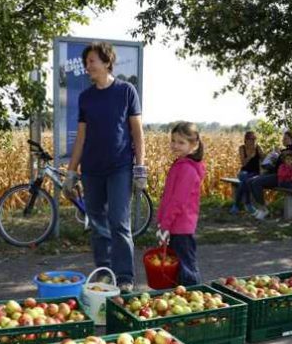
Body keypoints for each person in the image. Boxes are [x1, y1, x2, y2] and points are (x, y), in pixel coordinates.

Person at [63, 42, 146, 293]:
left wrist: (140, 167)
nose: (88, 67)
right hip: (91, 170)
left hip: (120, 167)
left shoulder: (126, 91)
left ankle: (124, 277)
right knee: (97, 222)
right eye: (87, 62)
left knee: (119, 222)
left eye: (92, 62)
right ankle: (104, 272)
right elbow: (81, 138)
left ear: (107, 62)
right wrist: (71, 171)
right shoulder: (86, 97)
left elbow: (137, 133)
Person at [156, 122, 206, 286]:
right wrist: (161, 222)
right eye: (173, 141)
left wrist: (166, 225)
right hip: (173, 225)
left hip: (181, 227)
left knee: (187, 269)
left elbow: (178, 202)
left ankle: (197, 298)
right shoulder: (180, 165)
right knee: (177, 269)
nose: (175, 145)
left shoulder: (187, 170)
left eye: (181, 142)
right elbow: (168, 197)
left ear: (194, 145)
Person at [246, 130, 292, 220]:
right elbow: (279, 165)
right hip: (275, 174)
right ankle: (260, 208)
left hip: (283, 178)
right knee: (250, 181)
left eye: (285, 138)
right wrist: (269, 163)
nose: (283, 140)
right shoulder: (285, 150)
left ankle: (264, 209)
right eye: (283, 138)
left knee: (256, 182)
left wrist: (280, 155)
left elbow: (291, 162)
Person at [230, 131, 263, 214]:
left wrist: (261, 153)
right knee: (245, 178)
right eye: (251, 139)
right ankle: (248, 204)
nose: (253, 141)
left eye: (254, 139)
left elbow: (264, 160)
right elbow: (243, 163)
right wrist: (250, 156)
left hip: (255, 173)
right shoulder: (242, 148)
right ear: (246, 139)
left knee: (243, 182)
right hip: (244, 172)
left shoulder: (258, 147)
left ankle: (236, 205)